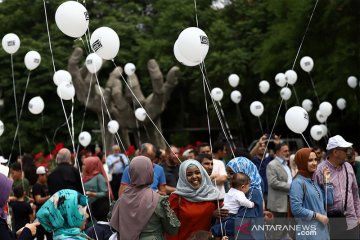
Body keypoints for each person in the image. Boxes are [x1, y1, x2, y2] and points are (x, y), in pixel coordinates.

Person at [110, 156, 180, 239]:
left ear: (131, 173)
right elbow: (172, 229)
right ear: (150, 172)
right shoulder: (157, 200)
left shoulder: (121, 199)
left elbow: (114, 225)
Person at [314, 135, 360, 239]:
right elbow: (316, 200)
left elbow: (355, 193)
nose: (348, 152)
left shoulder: (348, 167)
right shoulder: (320, 170)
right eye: (345, 150)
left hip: (352, 221)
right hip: (332, 222)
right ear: (335, 152)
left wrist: (359, 216)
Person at [212, 157, 264, 239]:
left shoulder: (252, 192)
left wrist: (215, 230)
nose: (228, 176)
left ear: (244, 173)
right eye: (227, 173)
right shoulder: (238, 190)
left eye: (231, 173)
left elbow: (241, 222)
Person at [167, 160, 220, 240]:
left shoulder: (212, 194)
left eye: (197, 173)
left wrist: (213, 215)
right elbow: (171, 228)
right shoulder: (176, 197)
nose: (194, 176)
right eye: (189, 174)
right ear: (183, 177)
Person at [290, 148, 333, 239]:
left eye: (315, 160)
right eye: (310, 160)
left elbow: (329, 201)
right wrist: (317, 216)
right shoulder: (298, 183)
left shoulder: (313, 181)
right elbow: (296, 209)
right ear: (301, 162)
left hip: (322, 231)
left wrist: (327, 182)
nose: (314, 163)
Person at [0, 173, 39, 240]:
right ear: (23, 194)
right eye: (6, 195)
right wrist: (27, 231)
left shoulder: (13, 205)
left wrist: (15, 235)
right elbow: (32, 218)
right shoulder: (27, 205)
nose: (8, 199)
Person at [266, 142, 291, 240]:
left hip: (287, 202)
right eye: (285, 151)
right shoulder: (272, 165)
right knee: (277, 233)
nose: (288, 153)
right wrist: (291, 186)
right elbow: (273, 182)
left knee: (285, 231)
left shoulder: (286, 164)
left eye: (288, 150)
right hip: (277, 205)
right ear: (277, 152)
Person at [32, 166, 52, 240]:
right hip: (40, 214)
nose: (46, 176)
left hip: (47, 213)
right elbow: (38, 200)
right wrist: (50, 197)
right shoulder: (37, 186)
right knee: (40, 235)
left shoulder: (45, 185)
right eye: (44, 175)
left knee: (50, 234)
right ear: (40, 175)